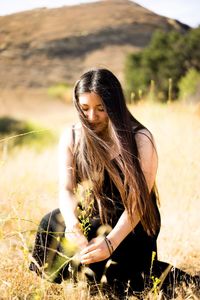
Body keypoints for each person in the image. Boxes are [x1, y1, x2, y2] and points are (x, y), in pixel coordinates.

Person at [30, 68, 199, 299]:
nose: (92, 116)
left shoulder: (140, 138)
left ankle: (177, 283)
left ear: (115, 105)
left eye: (101, 108)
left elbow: (138, 202)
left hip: (134, 220)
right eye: (85, 108)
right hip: (94, 211)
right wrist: (72, 225)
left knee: (132, 283)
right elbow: (66, 188)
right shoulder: (71, 136)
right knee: (51, 222)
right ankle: (83, 279)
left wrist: (110, 243)